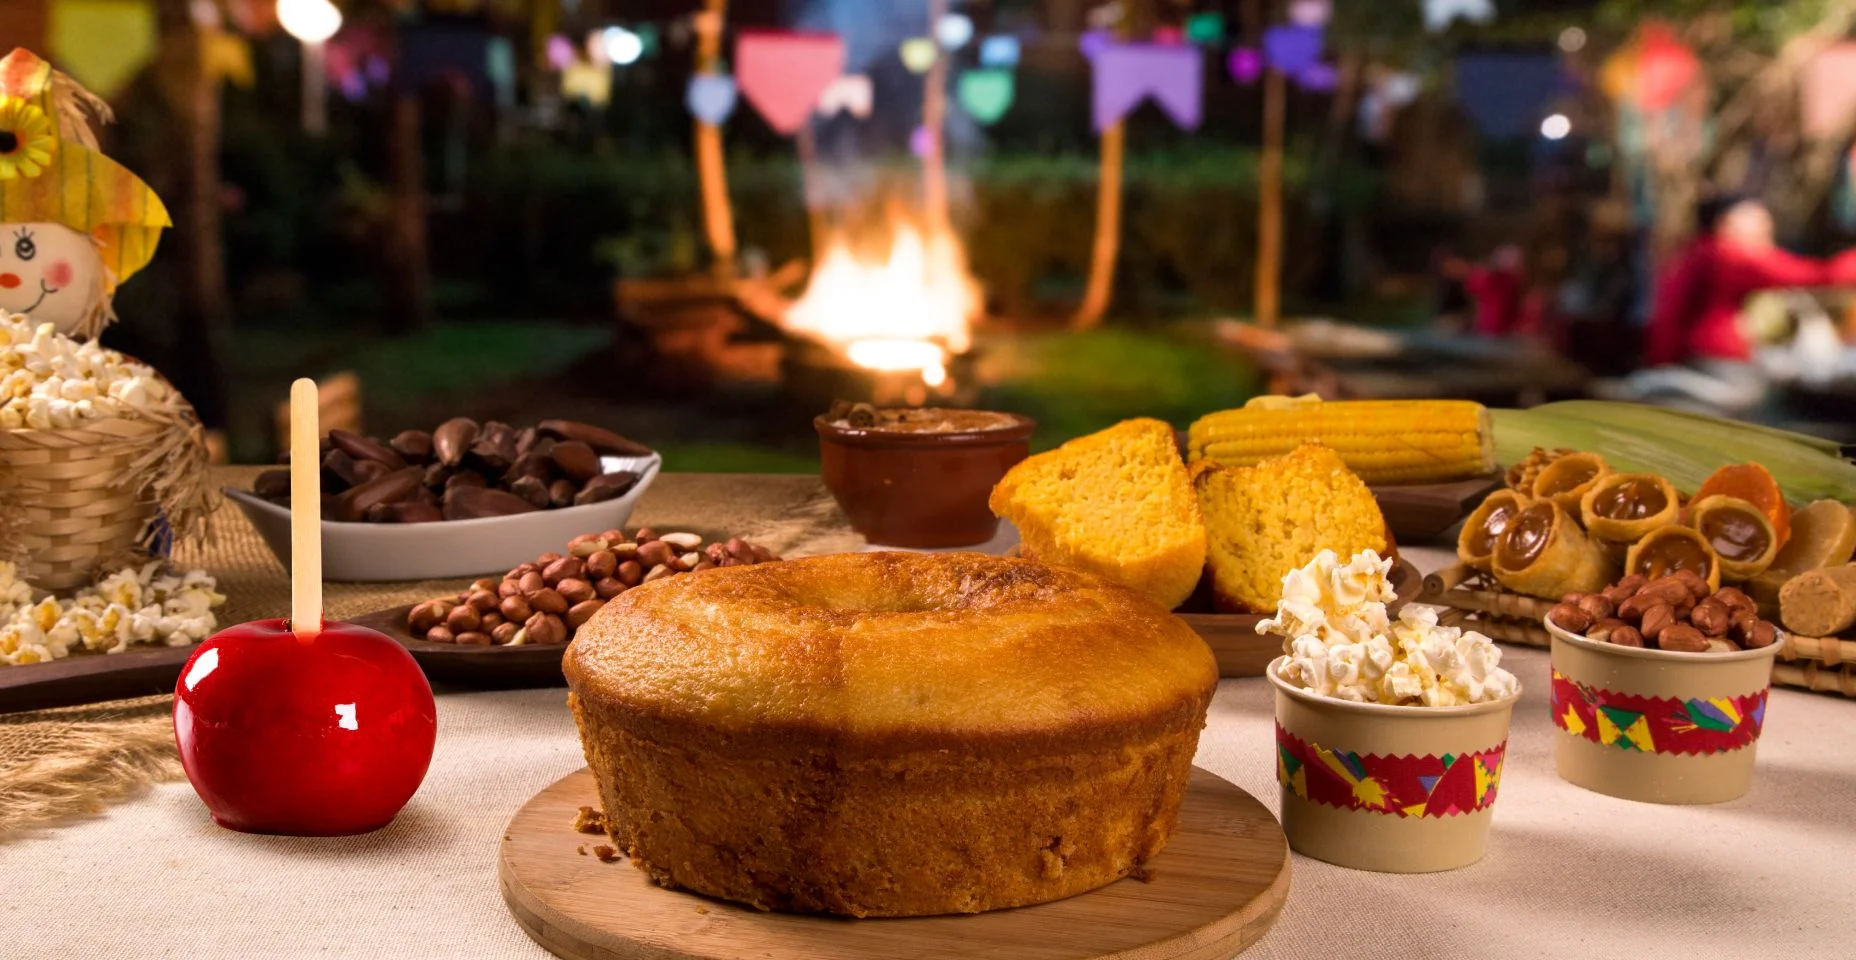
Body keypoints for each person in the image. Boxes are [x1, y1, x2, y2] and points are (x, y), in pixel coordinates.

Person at [1644, 197, 1828, 366]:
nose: (1766, 227)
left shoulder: (1701, 252)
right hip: (1711, 358)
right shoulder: (1726, 256)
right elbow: (1811, 274)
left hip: (1699, 357)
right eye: (1756, 220)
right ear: (1725, 223)